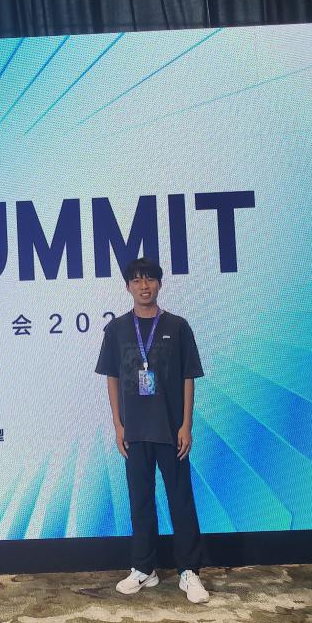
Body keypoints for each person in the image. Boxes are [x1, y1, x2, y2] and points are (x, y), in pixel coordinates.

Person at [95, 257, 209, 604]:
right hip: (134, 431)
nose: (144, 286)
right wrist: (118, 425)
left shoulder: (178, 326)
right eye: (137, 280)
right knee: (140, 500)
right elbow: (112, 377)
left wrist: (186, 424)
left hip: (171, 430)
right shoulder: (117, 329)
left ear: (159, 283)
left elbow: (188, 376)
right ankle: (144, 568)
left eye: (150, 279)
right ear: (128, 286)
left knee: (181, 499)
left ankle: (189, 571)